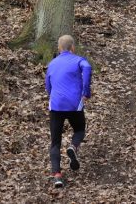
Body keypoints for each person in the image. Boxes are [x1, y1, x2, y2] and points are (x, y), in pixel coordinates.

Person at [45, 35, 92, 188]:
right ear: (72, 48)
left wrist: (53, 96)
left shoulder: (52, 63)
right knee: (79, 129)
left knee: (55, 142)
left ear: (59, 49)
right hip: (73, 105)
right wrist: (86, 92)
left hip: (56, 105)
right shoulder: (79, 60)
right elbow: (88, 67)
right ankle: (73, 146)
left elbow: (48, 86)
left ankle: (57, 176)